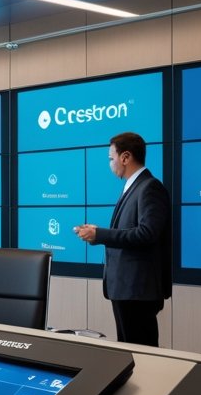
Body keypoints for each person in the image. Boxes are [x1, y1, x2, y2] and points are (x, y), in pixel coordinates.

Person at [74, 131, 172, 347]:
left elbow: (147, 233)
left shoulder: (150, 187)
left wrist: (100, 235)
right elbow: (130, 231)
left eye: (111, 158)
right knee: (128, 351)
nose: (110, 164)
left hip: (137, 291)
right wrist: (99, 231)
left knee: (142, 356)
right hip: (126, 289)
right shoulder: (134, 187)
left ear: (126, 157)